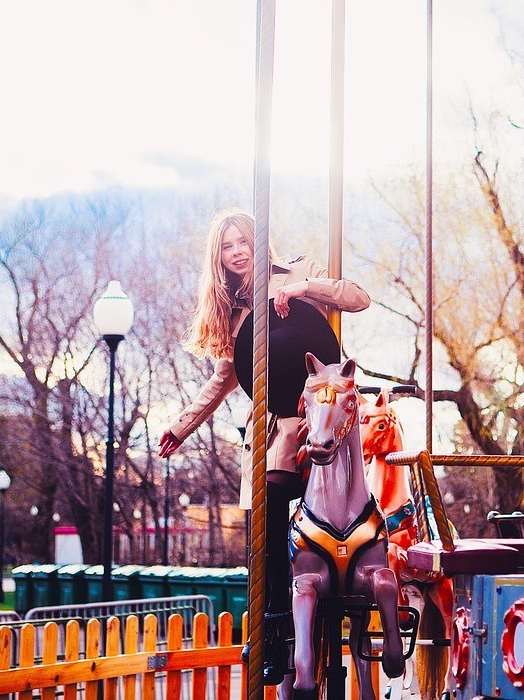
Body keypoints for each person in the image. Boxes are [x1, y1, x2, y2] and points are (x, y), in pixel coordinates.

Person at [158, 209, 370, 683]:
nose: (237, 252)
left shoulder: (298, 270)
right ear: (220, 257)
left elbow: (358, 297)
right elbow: (220, 381)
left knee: (344, 493)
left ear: (259, 242)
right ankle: (276, 621)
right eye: (227, 246)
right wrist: (182, 425)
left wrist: (303, 289)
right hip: (281, 423)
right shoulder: (234, 313)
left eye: (243, 242)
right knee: (270, 507)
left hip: (323, 410)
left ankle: (361, 574)